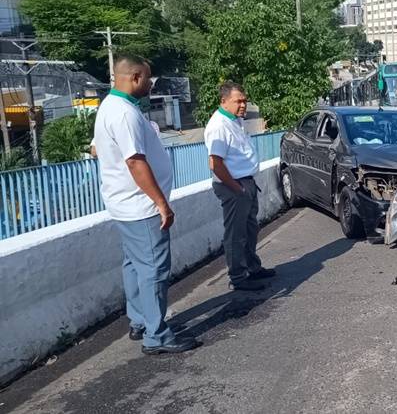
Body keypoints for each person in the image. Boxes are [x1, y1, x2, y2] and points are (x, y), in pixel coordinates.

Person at [93, 55, 200, 355]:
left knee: (135, 266)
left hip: (123, 205)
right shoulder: (125, 114)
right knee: (154, 269)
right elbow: (135, 161)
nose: (151, 84)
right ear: (135, 77)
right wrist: (161, 203)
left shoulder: (109, 107)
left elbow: (98, 149)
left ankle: (140, 320)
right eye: (148, 79)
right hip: (140, 207)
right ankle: (157, 335)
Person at [205, 82, 275, 292]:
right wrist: (237, 188)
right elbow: (215, 163)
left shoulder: (235, 121)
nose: (243, 105)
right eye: (238, 101)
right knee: (236, 234)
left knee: (250, 230)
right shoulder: (218, 126)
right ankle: (238, 277)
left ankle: (253, 267)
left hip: (246, 182)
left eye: (245, 100)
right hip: (233, 186)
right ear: (224, 101)